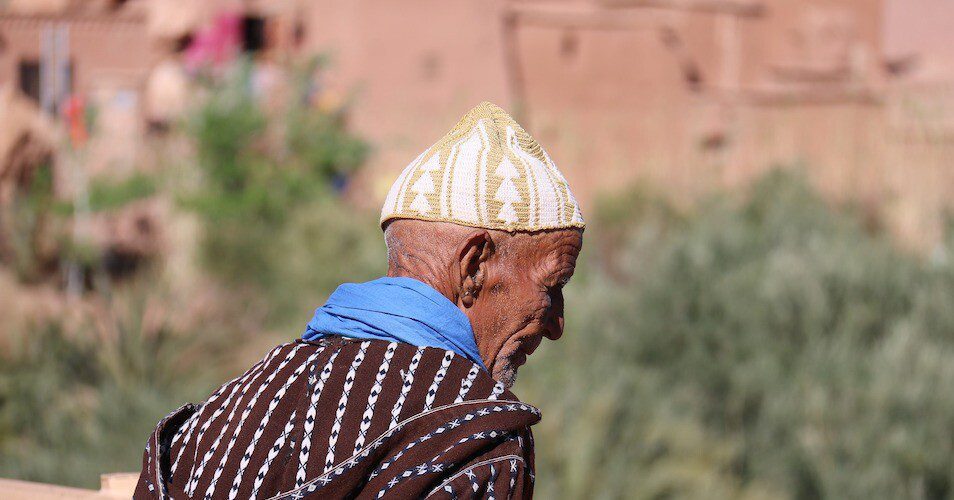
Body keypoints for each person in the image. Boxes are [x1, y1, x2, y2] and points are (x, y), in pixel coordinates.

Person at [135, 102, 584, 499]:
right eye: (553, 286)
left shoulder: (222, 416)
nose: (556, 324)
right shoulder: (480, 444)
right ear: (473, 267)